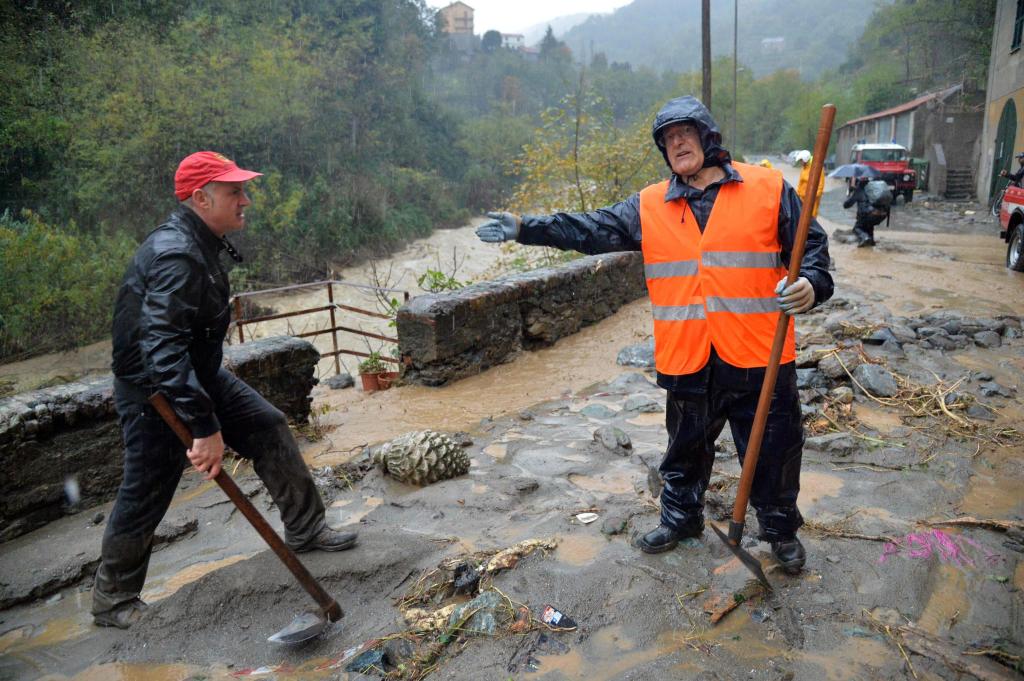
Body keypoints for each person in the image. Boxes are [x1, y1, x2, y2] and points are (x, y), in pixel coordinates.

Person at [475, 96, 833, 574]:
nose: (677, 143)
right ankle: (681, 519)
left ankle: (780, 530)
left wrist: (812, 283)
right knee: (684, 448)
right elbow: (588, 228)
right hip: (688, 355)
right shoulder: (648, 205)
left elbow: (811, 247)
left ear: (707, 137)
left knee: (775, 450)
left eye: (685, 133)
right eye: (668, 139)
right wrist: (525, 228)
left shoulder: (768, 188)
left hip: (759, 352)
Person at [92, 151, 358, 629]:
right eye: (235, 191)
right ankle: (114, 601)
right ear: (201, 198)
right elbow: (162, 351)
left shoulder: (201, 243)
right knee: (147, 487)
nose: (245, 200)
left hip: (195, 375)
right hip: (156, 392)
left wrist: (204, 405)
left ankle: (306, 528)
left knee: (267, 426)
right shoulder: (176, 254)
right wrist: (204, 427)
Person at [842, 175, 886, 247]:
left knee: (857, 228)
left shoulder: (859, 190)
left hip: (866, 215)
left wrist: (849, 194)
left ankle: (865, 237)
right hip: (880, 214)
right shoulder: (873, 188)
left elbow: (846, 205)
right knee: (869, 227)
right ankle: (871, 242)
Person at [794, 150, 824, 218]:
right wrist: (797, 195)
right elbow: (800, 183)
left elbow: (821, 185)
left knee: (811, 217)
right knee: (801, 217)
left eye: (801, 160)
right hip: (802, 198)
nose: (800, 162)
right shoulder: (804, 169)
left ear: (805, 159)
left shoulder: (817, 168)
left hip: (812, 199)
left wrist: (814, 196)